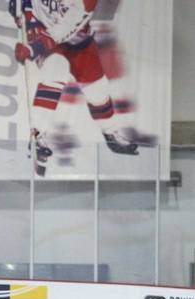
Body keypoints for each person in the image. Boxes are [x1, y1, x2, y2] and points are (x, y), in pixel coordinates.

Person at [11, 0, 139, 176]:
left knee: (97, 89)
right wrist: (23, 11)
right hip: (42, 28)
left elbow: (63, 30)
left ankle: (110, 132)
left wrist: (32, 49)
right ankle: (38, 134)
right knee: (56, 67)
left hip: (74, 40)